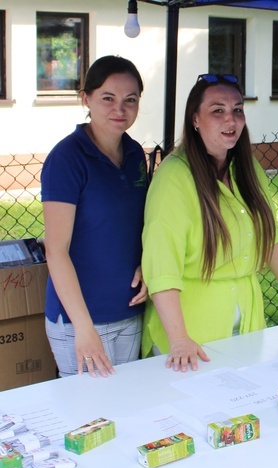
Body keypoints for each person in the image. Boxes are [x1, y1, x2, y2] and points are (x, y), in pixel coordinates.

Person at [141, 74, 278, 372]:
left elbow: (270, 235)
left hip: (246, 323)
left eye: (237, 110)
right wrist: (179, 339)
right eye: (217, 111)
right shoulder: (174, 177)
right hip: (191, 332)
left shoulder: (246, 167)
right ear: (195, 119)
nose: (230, 119)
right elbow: (161, 266)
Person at [41, 55, 148, 378]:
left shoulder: (135, 154)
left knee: (126, 410)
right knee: (87, 420)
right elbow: (56, 250)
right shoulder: (67, 159)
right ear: (85, 98)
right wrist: (83, 329)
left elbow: (137, 225)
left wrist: (146, 262)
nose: (120, 109)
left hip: (129, 312)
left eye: (130, 100)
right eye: (108, 99)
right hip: (80, 321)